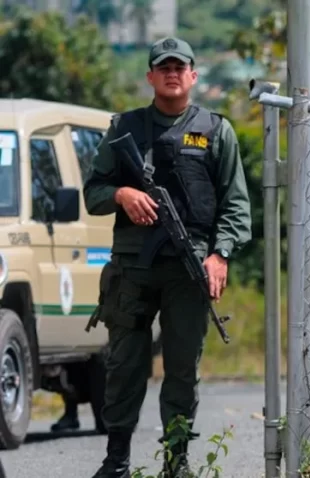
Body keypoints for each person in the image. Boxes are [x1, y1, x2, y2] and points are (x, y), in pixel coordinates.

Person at [82, 36, 252, 478]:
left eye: (181, 66)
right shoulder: (124, 129)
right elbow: (92, 194)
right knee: (124, 367)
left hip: (188, 270)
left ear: (194, 75)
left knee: (181, 370)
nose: (172, 73)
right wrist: (121, 193)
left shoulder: (216, 131)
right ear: (151, 77)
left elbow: (235, 205)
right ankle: (116, 461)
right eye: (164, 67)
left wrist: (221, 255)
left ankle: (176, 464)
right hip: (133, 270)